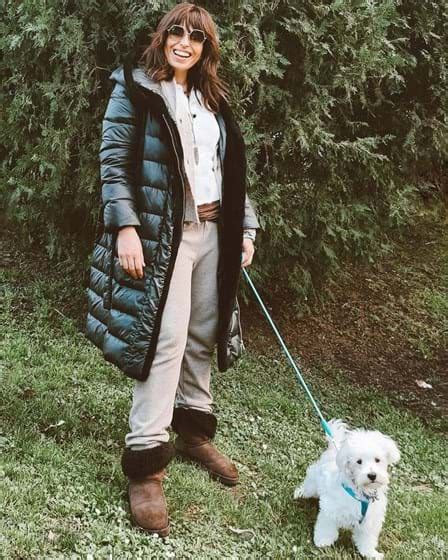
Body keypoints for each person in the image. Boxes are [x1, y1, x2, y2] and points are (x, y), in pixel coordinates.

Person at [86, 2, 259, 537]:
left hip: (215, 233)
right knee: (163, 339)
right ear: (162, 38)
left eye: (196, 37)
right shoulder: (134, 89)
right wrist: (126, 228)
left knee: (202, 335)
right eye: (176, 33)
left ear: (206, 47)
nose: (185, 42)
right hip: (164, 237)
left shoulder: (213, 100)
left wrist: (245, 228)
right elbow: (113, 162)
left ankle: (194, 432)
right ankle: (146, 462)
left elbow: (232, 170)